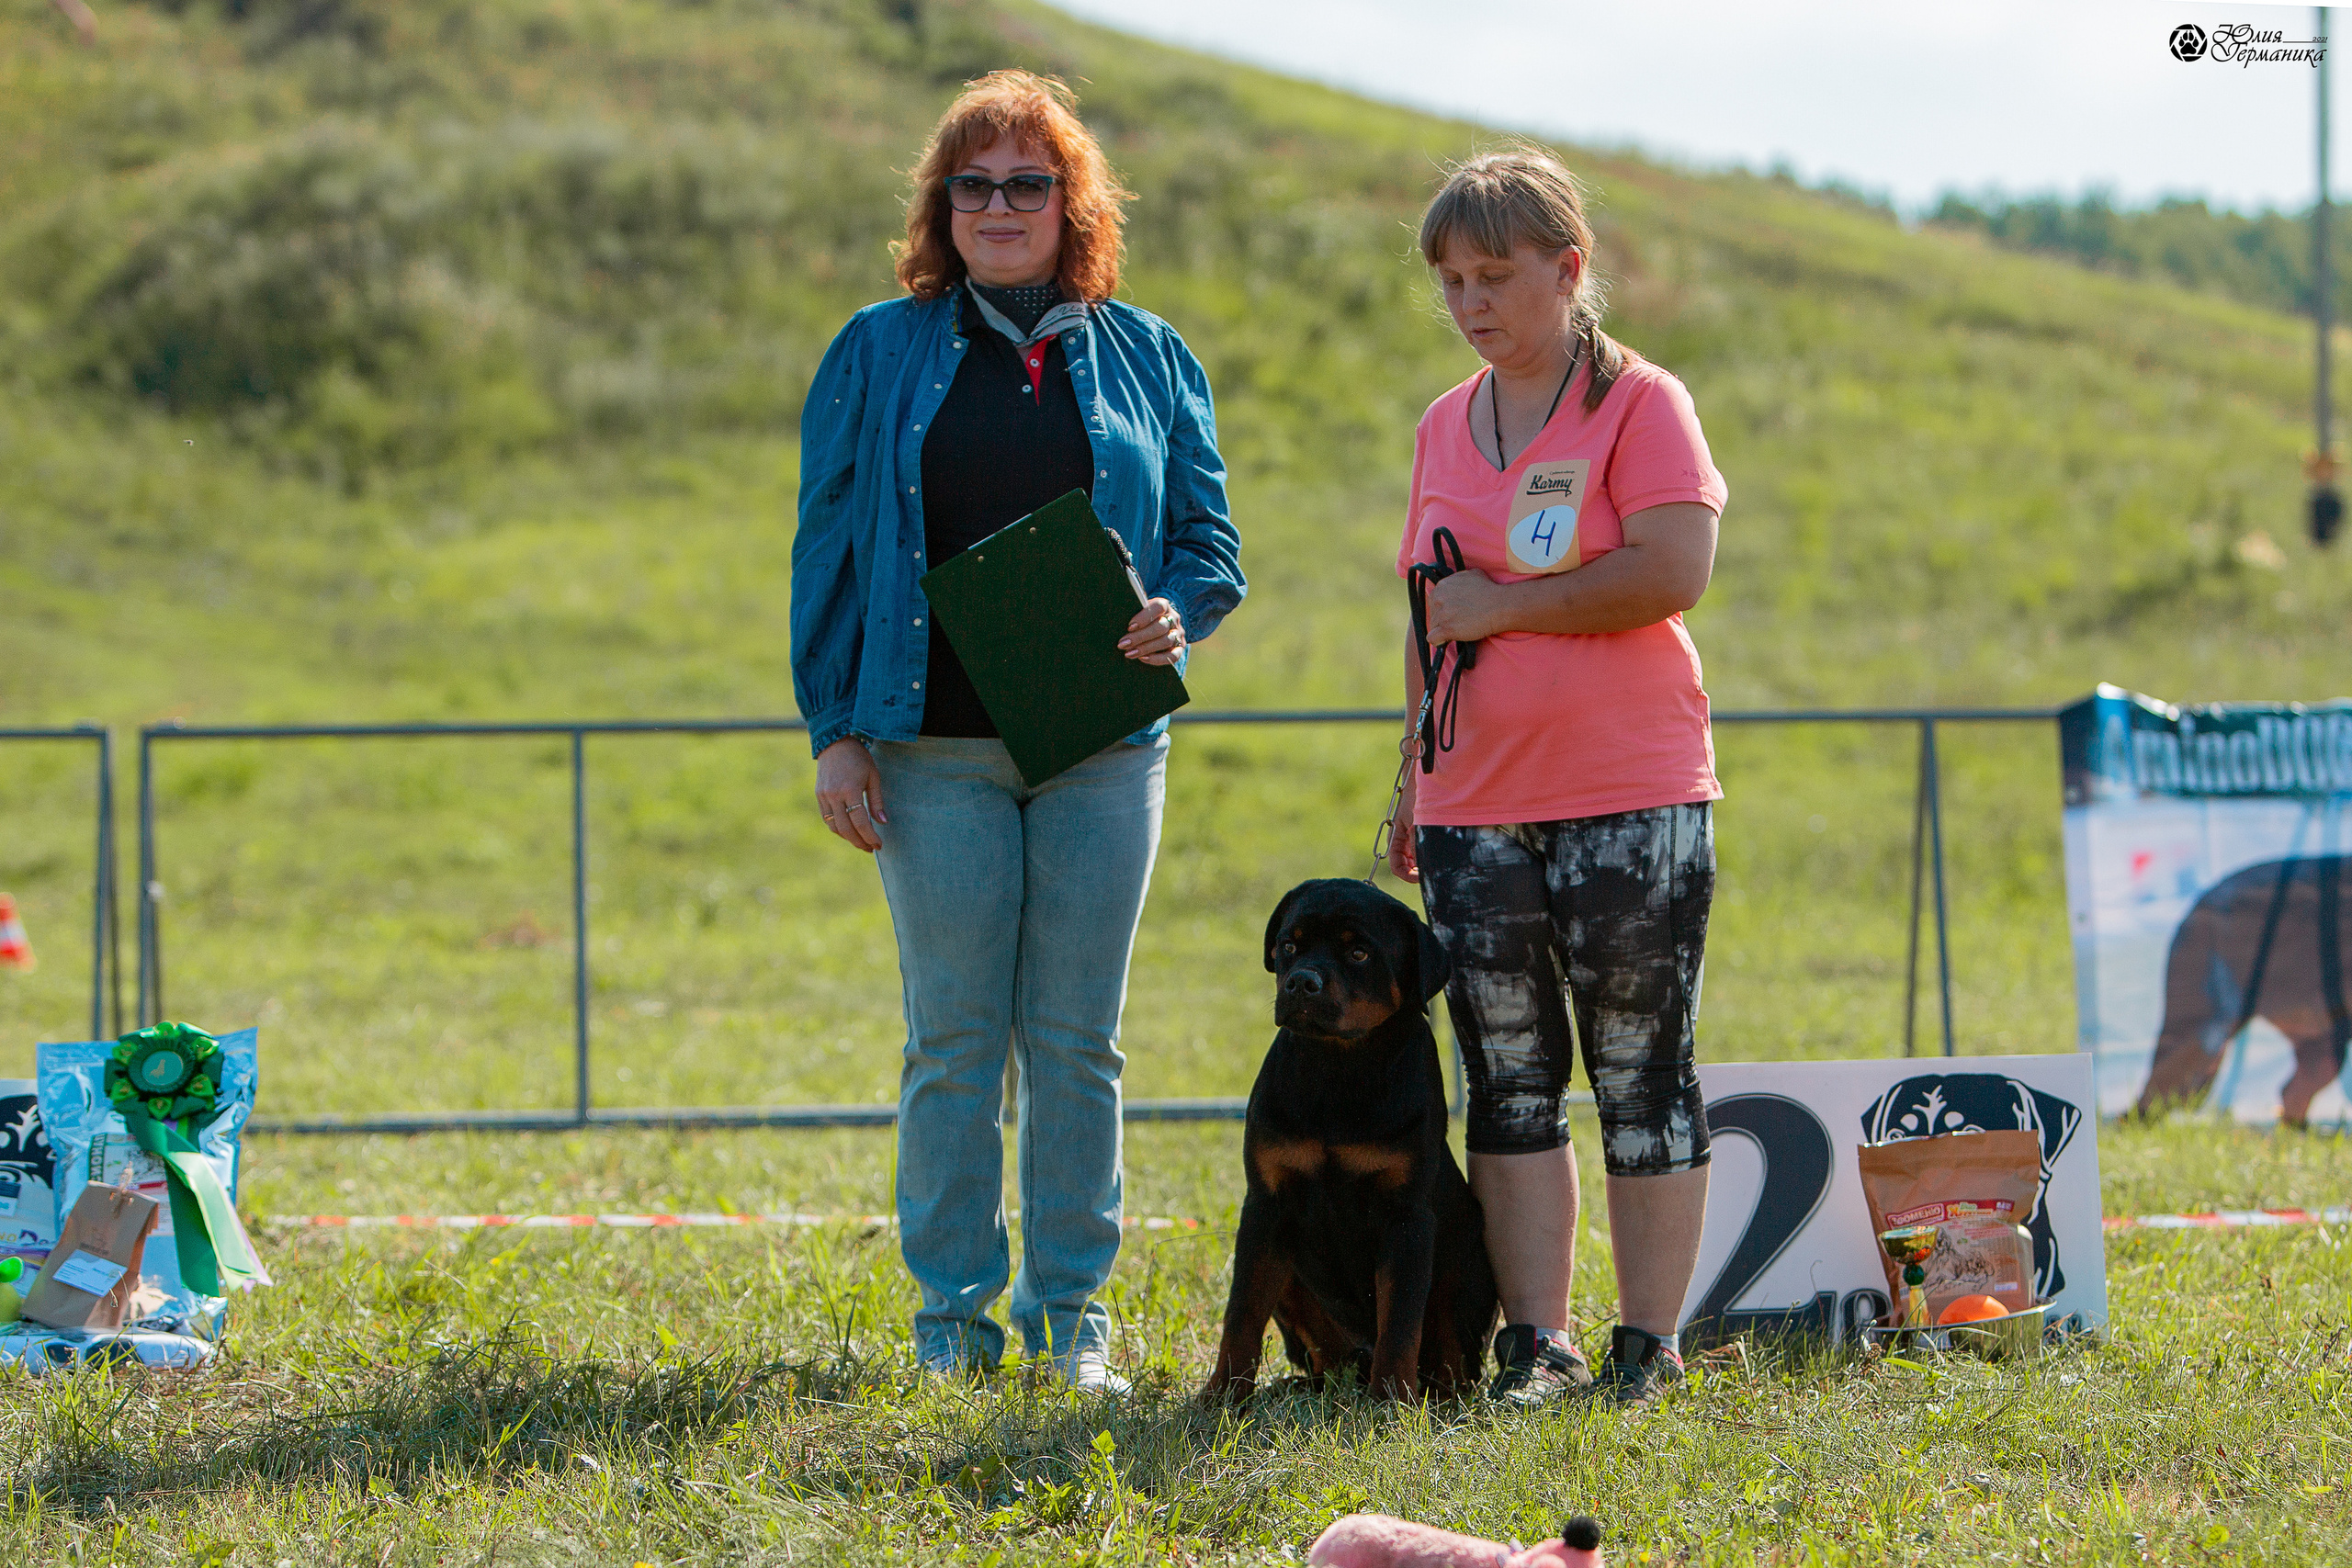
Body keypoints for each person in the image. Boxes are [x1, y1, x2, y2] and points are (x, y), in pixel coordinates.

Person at [791, 71, 1245, 1390]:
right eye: (974, 183)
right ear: (944, 204)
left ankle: (1071, 1318)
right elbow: (826, 550)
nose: (1000, 204)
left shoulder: (1154, 355)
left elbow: (1211, 546)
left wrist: (1177, 616)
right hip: (930, 748)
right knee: (953, 1042)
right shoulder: (876, 350)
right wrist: (836, 728)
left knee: (1078, 1041)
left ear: (1071, 202)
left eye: (1027, 183)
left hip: (1103, 742)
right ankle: (950, 1323)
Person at [1385, 145, 1726, 1408]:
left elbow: (1669, 571)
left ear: (1568, 269)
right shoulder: (1441, 422)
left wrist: (1505, 607)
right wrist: (1410, 772)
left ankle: (1648, 1345)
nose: (1472, 303)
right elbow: (1428, 612)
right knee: (1507, 1079)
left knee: (1641, 1066)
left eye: (1496, 274)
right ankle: (1539, 1342)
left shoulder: (1643, 404)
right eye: (1452, 281)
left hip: (1632, 792)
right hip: (1474, 800)